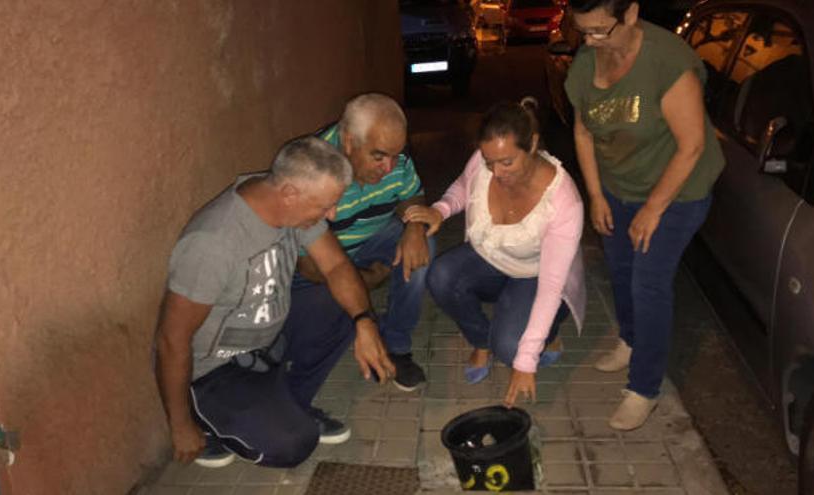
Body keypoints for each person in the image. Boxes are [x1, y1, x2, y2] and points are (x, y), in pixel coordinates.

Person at [154, 136, 395, 469]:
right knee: (293, 444)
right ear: (289, 194)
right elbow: (171, 340)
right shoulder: (212, 244)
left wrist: (364, 322)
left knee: (345, 306)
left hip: (266, 342)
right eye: (325, 206)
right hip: (216, 371)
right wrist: (179, 425)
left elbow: (337, 265)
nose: (332, 213)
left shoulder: (287, 204)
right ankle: (210, 424)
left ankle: (288, 404)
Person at [565, 0, 725, 430]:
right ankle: (630, 339)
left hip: (678, 190)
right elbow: (582, 131)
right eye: (583, 31)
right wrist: (596, 194)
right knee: (619, 270)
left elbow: (692, 144)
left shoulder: (668, 61)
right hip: (619, 186)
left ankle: (645, 389)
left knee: (648, 282)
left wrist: (654, 208)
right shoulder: (584, 64)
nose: (592, 41)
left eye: (601, 30)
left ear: (631, 13)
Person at [403, 98, 586, 408]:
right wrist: (440, 210)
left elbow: (551, 287)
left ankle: (548, 330)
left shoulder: (564, 203)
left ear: (532, 146)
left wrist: (525, 362)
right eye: (490, 162)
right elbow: (463, 187)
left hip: (535, 276)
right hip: (490, 259)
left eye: (507, 162)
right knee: (441, 275)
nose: (496, 172)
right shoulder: (483, 161)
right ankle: (480, 340)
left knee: (512, 349)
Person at [293, 93, 433, 391]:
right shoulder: (310, 169)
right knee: (326, 311)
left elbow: (412, 193)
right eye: (379, 156)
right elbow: (308, 267)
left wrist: (414, 225)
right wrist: (369, 280)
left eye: (396, 155)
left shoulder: (395, 159)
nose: (389, 167)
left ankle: (396, 344)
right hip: (322, 260)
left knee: (422, 248)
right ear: (347, 141)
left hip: (372, 237)